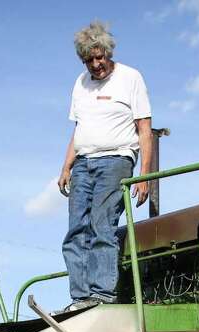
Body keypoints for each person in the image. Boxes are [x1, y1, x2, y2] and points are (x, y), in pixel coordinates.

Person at [57, 20, 153, 311]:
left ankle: (101, 295)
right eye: (89, 59)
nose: (96, 64)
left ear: (108, 53)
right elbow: (79, 129)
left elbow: (144, 128)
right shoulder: (80, 83)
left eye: (100, 57)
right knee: (76, 230)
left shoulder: (130, 77)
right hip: (83, 162)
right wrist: (65, 166)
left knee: (102, 225)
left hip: (116, 159)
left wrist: (145, 175)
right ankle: (80, 298)